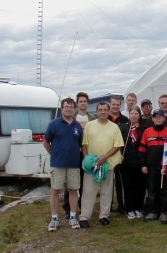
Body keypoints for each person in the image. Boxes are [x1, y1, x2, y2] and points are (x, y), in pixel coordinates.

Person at [79, 102, 124, 228]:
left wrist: (105, 156)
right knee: (88, 191)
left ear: (109, 111)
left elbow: (117, 145)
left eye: (105, 110)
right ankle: (84, 216)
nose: (103, 112)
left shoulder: (114, 127)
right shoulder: (89, 125)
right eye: (100, 110)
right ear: (97, 111)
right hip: (92, 165)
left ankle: (104, 215)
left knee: (107, 191)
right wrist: (87, 160)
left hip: (107, 164)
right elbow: (84, 144)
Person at [44, 97, 83, 231]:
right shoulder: (54, 124)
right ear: (62, 108)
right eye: (66, 107)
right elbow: (46, 142)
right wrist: (54, 154)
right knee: (55, 190)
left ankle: (73, 217)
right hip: (58, 164)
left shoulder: (77, 126)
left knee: (73, 190)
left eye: (71, 107)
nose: (68, 109)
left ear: (74, 109)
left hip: (73, 164)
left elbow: (80, 144)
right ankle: (54, 218)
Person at [63, 92, 95, 219]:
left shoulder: (92, 118)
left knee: (85, 182)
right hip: (73, 153)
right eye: (80, 101)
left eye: (85, 101)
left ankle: (83, 207)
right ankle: (67, 208)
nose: (82, 103)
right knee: (70, 183)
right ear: (77, 103)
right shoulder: (72, 117)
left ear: (88, 103)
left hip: (86, 153)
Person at [139, 109, 167, 224]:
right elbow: (142, 149)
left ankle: (164, 212)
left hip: (164, 167)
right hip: (151, 167)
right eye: (156, 116)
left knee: (164, 190)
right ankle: (153, 212)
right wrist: (143, 164)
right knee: (152, 190)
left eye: (160, 116)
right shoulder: (147, 131)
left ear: (164, 118)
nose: (158, 118)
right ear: (152, 119)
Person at [119, 105, 146, 219]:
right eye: (132, 114)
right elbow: (118, 143)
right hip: (127, 161)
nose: (134, 116)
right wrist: (120, 154)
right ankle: (129, 208)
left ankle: (138, 208)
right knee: (128, 185)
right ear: (129, 115)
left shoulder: (143, 129)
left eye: (136, 114)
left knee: (140, 186)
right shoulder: (124, 128)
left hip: (139, 161)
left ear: (139, 115)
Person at [108, 95, 128, 214]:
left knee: (120, 181)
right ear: (110, 104)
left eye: (117, 104)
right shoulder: (105, 118)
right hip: (107, 154)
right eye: (113, 104)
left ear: (120, 105)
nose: (115, 107)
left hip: (120, 155)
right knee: (108, 182)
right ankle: (108, 205)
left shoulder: (125, 119)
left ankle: (121, 204)